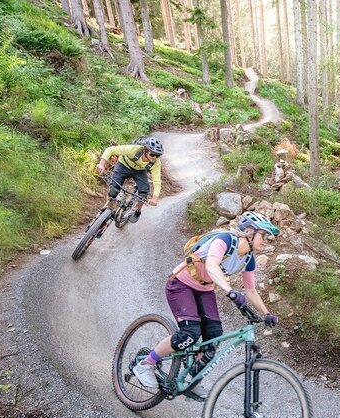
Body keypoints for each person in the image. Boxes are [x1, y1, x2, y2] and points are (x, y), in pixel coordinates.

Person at [133, 212, 281, 400]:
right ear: (250, 232)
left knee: (214, 337)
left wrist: (267, 313)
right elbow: (212, 266)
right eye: (264, 235)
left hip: (205, 290)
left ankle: (192, 380)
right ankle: (146, 364)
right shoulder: (225, 240)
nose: (266, 240)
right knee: (190, 333)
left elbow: (251, 290)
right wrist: (230, 291)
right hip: (181, 284)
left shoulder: (249, 259)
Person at [96, 136, 164, 223]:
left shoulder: (156, 163)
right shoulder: (133, 149)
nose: (154, 157)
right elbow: (111, 149)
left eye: (157, 155)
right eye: (152, 154)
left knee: (144, 193)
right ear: (145, 151)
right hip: (123, 165)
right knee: (113, 190)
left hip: (140, 171)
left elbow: (157, 181)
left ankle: (137, 211)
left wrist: (155, 198)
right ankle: (108, 210)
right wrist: (101, 164)